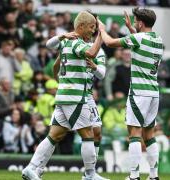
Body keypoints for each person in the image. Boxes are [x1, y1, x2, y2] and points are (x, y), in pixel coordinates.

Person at [22, 11, 103, 180]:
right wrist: (102, 34)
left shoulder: (66, 41)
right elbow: (92, 53)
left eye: (95, 27)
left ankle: (31, 168)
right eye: (91, 26)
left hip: (64, 95)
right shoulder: (76, 43)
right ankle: (90, 175)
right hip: (74, 97)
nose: (93, 30)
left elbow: (49, 46)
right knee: (88, 135)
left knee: (54, 135)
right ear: (80, 26)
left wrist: (61, 36)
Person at [98, 7, 163, 180]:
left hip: (139, 93)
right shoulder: (157, 39)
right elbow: (140, 40)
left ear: (141, 23)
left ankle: (134, 176)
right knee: (149, 135)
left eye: (135, 21)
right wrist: (131, 29)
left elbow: (111, 43)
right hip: (153, 93)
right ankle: (153, 175)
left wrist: (102, 30)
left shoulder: (138, 38)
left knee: (134, 133)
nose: (134, 23)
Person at [53, 43, 108, 180]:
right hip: (74, 94)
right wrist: (60, 82)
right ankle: (89, 174)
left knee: (97, 132)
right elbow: (56, 67)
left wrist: (95, 67)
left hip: (87, 95)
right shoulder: (73, 44)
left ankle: (90, 173)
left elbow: (101, 74)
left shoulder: (98, 50)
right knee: (66, 134)